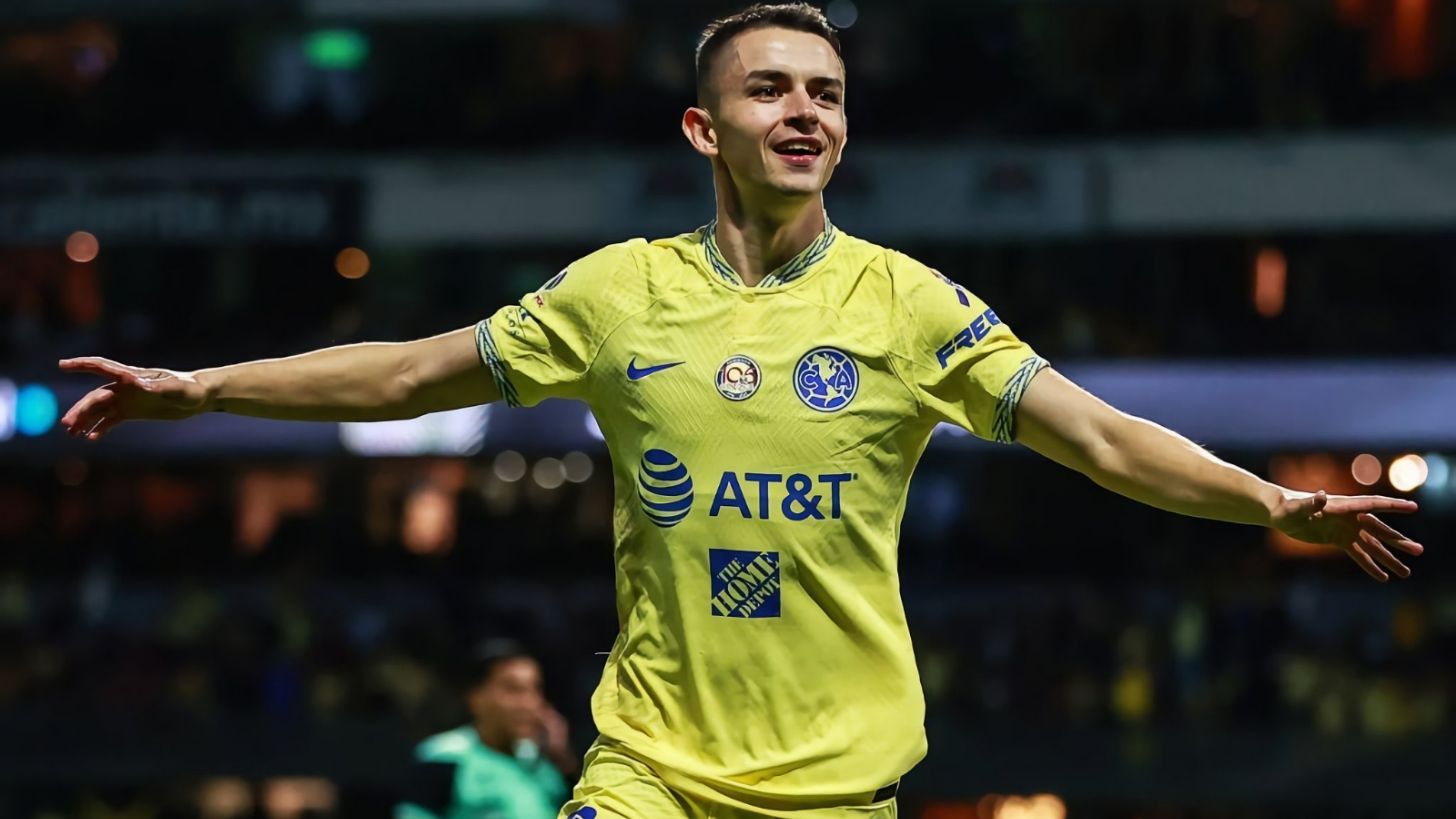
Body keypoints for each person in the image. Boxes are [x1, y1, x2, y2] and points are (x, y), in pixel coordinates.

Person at [58, 4, 1425, 818]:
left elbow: (1101, 435)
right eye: (769, 89)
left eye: (827, 93)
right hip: (648, 769)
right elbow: (413, 373)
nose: (804, 112)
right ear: (704, 130)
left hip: (835, 784)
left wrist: (1268, 500)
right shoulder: (617, 294)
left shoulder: (908, 306)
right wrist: (204, 388)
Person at [396, 640, 575, 819]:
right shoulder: (445, 759)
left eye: (535, 689)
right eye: (513, 690)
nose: (529, 703)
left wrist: (563, 763)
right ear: (475, 697)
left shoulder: (545, 764)